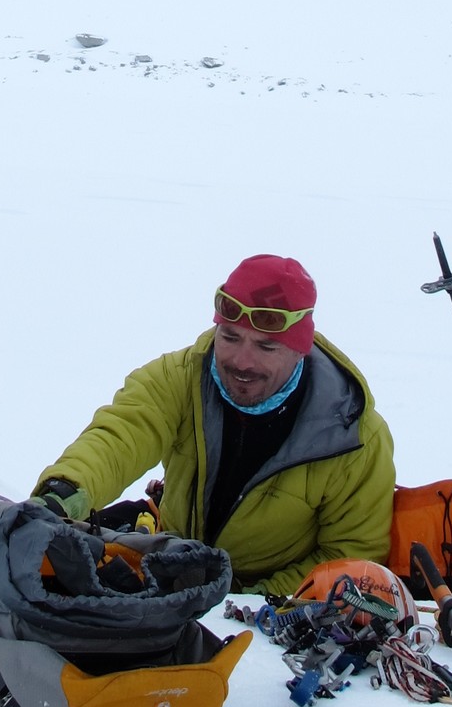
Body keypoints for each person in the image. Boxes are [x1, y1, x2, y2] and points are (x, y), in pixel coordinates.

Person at [32, 254, 396, 596]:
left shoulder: (353, 436)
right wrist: (60, 498)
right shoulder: (179, 379)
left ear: (301, 349)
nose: (242, 361)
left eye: (266, 347)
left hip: (267, 600)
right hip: (172, 560)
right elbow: (119, 438)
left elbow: (349, 557)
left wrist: (244, 600)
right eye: (230, 337)